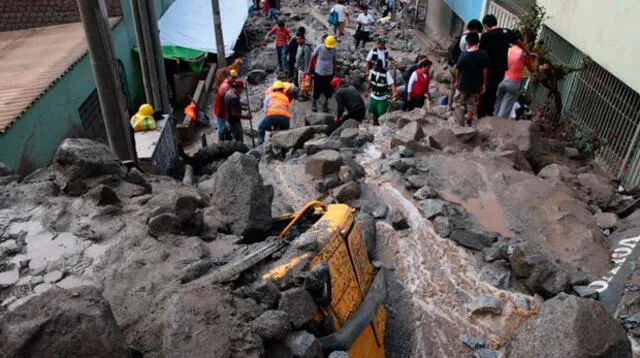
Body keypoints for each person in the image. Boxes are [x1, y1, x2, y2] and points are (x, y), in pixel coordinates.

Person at [479, 14, 530, 117]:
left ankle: (482, 114)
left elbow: (482, 56)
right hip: (501, 70)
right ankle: (489, 113)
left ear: (485, 25)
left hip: (489, 69)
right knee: (493, 92)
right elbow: (518, 42)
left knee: (486, 92)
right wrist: (527, 52)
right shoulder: (506, 32)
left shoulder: (486, 36)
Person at [453, 32, 489, 127]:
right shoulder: (483, 54)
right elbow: (485, 70)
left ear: (468, 42)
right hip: (476, 84)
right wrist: (484, 83)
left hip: (463, 84)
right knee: (472, 104)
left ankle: (459, 123)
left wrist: (457, 81)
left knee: (459, 102)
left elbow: (458, 69)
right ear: (478, 42)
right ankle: (468, 121)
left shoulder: (464, 55)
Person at [494, 39, 536, 118]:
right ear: (522, 42)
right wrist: (530, 58)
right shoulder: (523, 54)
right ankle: (498, 124)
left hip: (502, 79)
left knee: (497, 103)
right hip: (513, 82)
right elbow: (532, 69)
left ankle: (491, 121)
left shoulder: (508, 50)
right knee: (506, 107)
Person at [308, 35, 338, 112]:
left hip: (329, 73)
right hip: (319, 72)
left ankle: (325, 104)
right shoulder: (319, 48)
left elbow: (334, 60)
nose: (329, 48)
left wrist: (335, 70)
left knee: (327, 89)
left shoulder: (333, 49)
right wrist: (310, 68)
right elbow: (313, 57)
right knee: (316, 88)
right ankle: (314, 103)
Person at [366, 59, 396, 125]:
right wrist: (367, 91)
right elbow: (370, 82)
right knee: (373, 111)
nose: (376, 68)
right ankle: (375, 123)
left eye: (378, 67)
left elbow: (392, 84)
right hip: (373, 96)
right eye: (375, 67)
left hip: (382, 98)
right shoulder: (373, 71)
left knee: (381, 112)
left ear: (381, 66)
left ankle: (381, 125)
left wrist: (394, 92)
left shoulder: (386, 73)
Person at [213, 70, 239, 141]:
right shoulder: (226, 86)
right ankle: (221, 142)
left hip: (223, 107)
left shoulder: (228, 82)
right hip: (220, 108)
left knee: (225, 125)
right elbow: (229, 100)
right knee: (221, 127)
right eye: (233, 78)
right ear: (228, 76)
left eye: (235, 78)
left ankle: (228, 138)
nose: (234, 79)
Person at [295, 33, 314, 100]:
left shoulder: (306, 47)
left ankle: (305, 96)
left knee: (305, 83)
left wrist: (307, 71)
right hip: (300, 67)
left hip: (304, 69)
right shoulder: (300, 45)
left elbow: (307, 60)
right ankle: (303, 94)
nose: (297, 40)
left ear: (303, 39)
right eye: (297, 39)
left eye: (299, 39)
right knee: (301, 82)